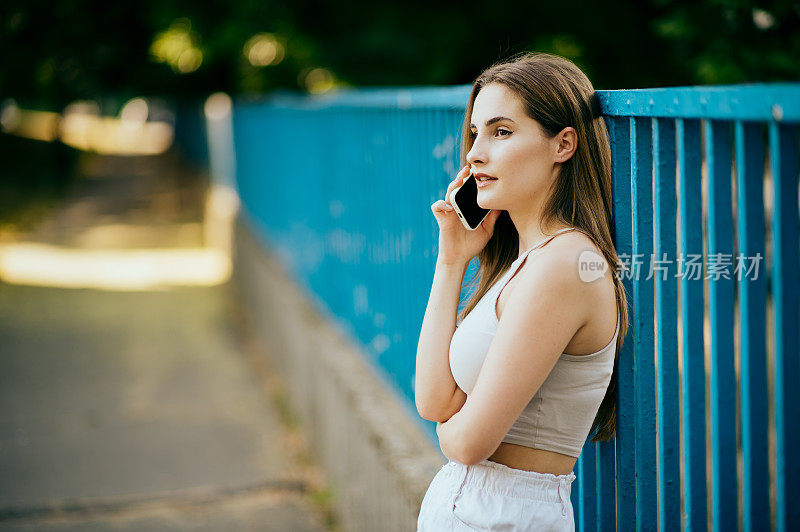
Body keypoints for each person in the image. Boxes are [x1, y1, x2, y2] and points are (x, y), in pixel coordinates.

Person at [414, 51, 629, 531]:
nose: (474, 154)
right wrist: (451, 263)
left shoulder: (565, 265)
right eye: (475, 133)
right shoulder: (527, 262)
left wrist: (457, 419)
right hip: (480, 510)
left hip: (507, 516)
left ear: (563, 144)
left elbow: (468, 444)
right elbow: (432, 402)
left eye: (502, 131)